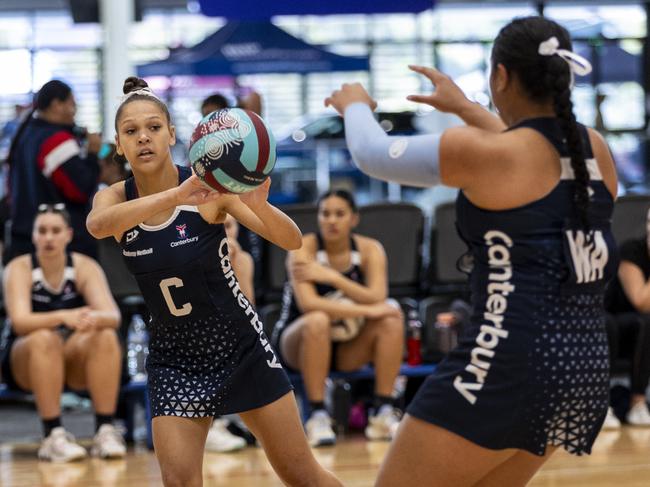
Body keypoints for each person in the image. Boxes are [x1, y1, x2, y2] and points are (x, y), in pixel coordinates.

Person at [325, 16, 618, 486]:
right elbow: (529, 156)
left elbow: (372, 154)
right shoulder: (595, 150)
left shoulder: (486, 153)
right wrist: (464, 108)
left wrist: (355, 105)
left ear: (500, 76)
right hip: (577, 366)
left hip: (503, 362)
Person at [86, 77, 341, 487]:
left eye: (153, 127)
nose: (144, 138)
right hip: (174, 358)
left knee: (300, 474)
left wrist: (260, 204)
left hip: (239, 347)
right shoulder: (114, 198)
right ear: (118, 144)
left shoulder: (211, 189)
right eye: (131, 132)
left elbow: (291, 239)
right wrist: (174, 196)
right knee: (180, 481)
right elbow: (97, 227)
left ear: (172, 134)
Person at [272, 189, 404, 447]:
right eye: (325, 214)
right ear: (318, 217)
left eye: (339, 214)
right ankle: (318, 415)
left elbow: (379, 295)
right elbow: (310, 304)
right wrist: (367, 310)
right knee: (319, 319)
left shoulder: (370, 249)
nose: (331, 220)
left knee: (391, 319)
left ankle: (382, 412)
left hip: (345, 345)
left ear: (354, 219)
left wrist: (332, 277)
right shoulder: (302, 247)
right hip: (297, 343)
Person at [0, 204, 125, 462]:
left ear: (68, 234)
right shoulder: (19, 268)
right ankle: (52, 435)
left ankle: (105, 430)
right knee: (43, 338)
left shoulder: (84, 266)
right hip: (25, 363)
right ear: (33, 236)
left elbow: (112, 317)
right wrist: (63, 317)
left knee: (105, 336)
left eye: (55, 231)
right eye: (42, 231)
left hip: (71, 361)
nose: (48, 237)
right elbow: (20, 322)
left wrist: (89, 318)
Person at [4, 80, 101, 263]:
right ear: (57, 105)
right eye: (72, 104)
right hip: (59, 245)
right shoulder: (56, 141)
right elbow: (81, 190)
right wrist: (92, 155)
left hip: (27, 237)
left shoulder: (25, 134)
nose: (75, 111)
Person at [204, 214, 255, 453]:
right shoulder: (194, 256)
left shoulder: (242, 259)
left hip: (233, 334)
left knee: (247, 340)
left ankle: (241, 420)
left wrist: (232, 267)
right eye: (217, 226)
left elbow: (248, 310)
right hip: (196, 335)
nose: (223, 232)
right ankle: (215, 424)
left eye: (228, 226)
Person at [603, 209, 650, 428]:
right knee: (646, 321)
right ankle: (634, 403)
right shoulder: (632, 250)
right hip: (617, 319)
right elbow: (641, 301)